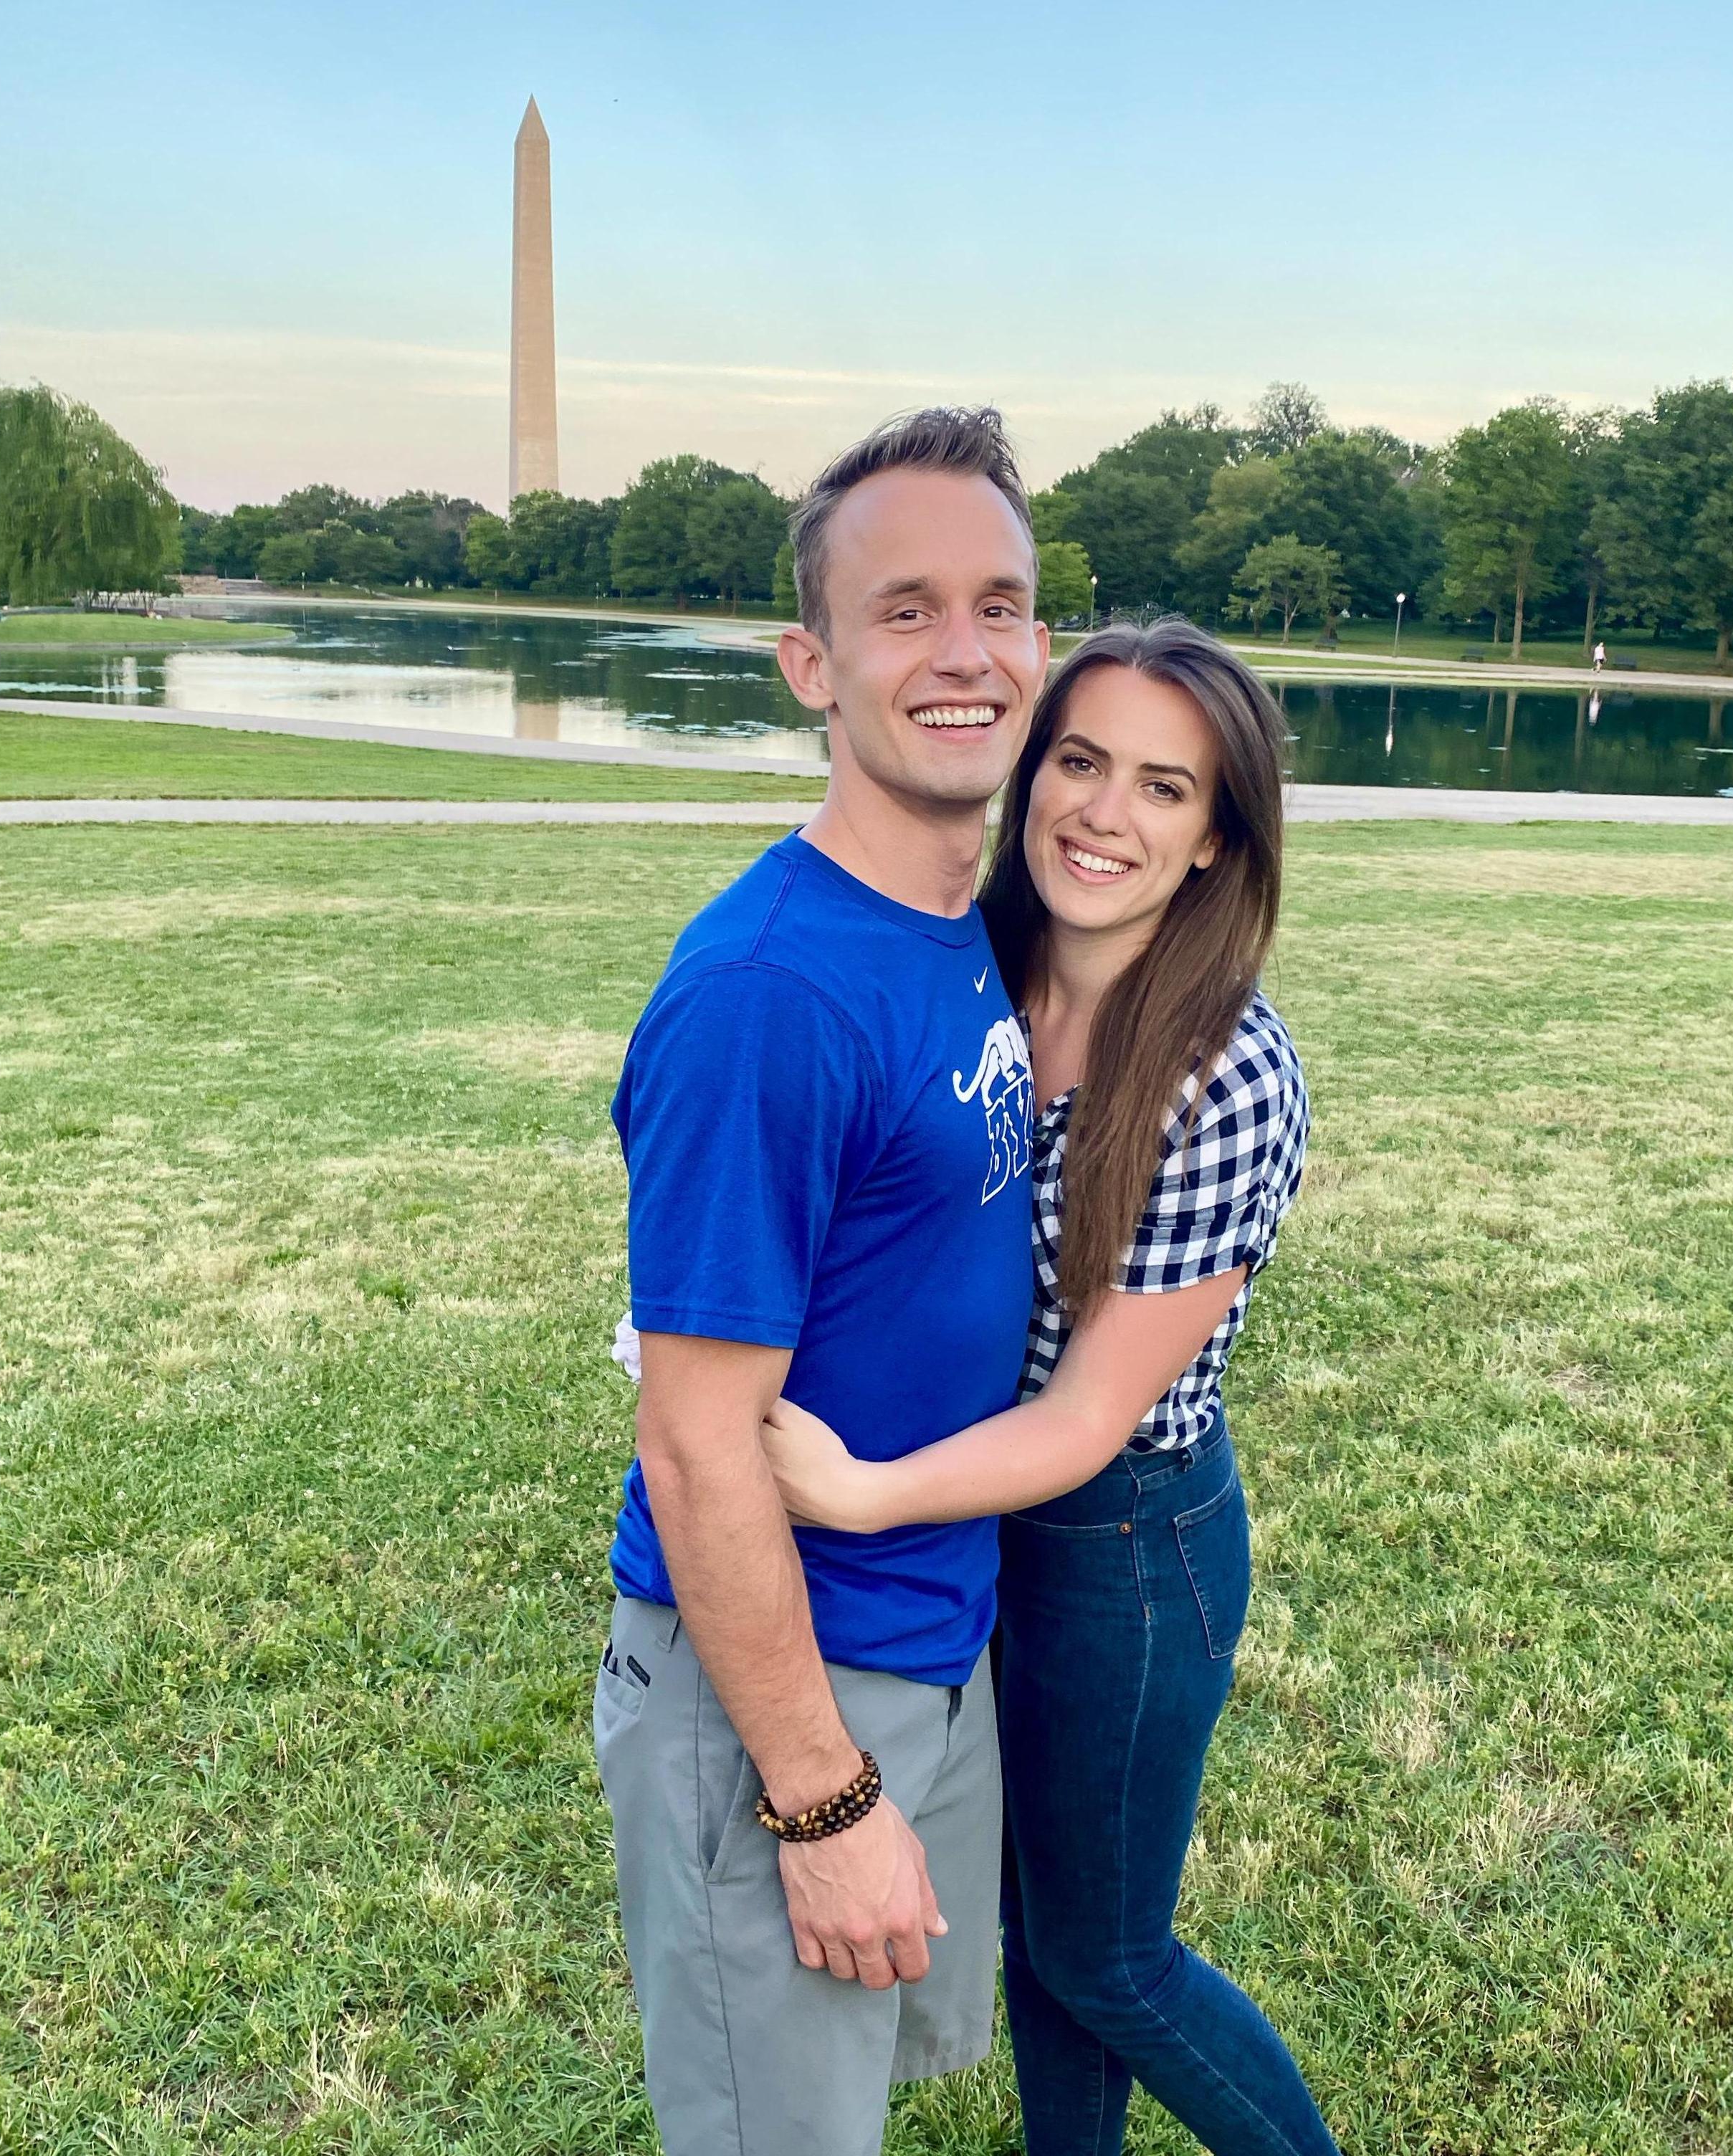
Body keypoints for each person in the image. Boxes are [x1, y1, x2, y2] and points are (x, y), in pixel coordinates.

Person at [762, 619, 1341, 2156]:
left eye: (1165, 788)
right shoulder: (977, 972)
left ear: (1216, 835)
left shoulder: (1228, 1071)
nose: (1104, 812)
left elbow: (1088, 1417)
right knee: (1040, 1933)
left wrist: (865, 1491)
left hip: (1122, 1542)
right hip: (989, 1524)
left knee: (1110, 1952)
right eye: (1079, 761)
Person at [594, 407, 1052, 2155]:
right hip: (785, 1695)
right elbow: (697, 1446)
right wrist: (820, 1794)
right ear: (813, 663)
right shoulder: (769, 994)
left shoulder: (954, 931)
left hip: (934, 1637)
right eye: (907, 609)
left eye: (1002, 605)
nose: (967, 653)